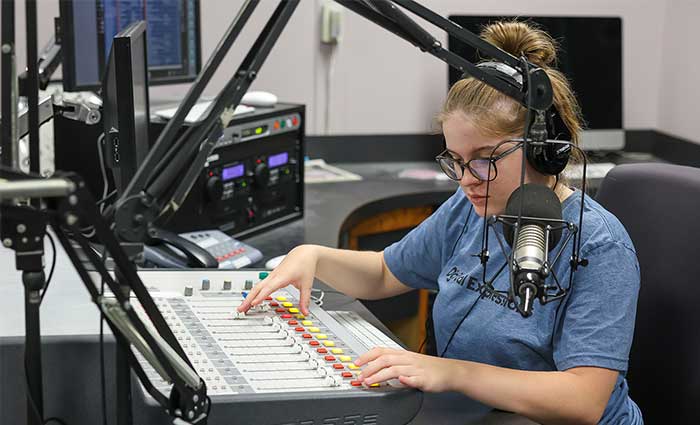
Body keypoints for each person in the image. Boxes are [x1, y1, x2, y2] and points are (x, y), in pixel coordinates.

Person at [238, 20, 642, 425]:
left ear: (544, 151)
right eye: (456, 160)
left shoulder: (599, 244)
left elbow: (584, 400)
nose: (467, 178)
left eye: (485, 159)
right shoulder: (471, 206)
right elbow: (383, 273)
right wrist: (314, 257)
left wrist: (452, 373)